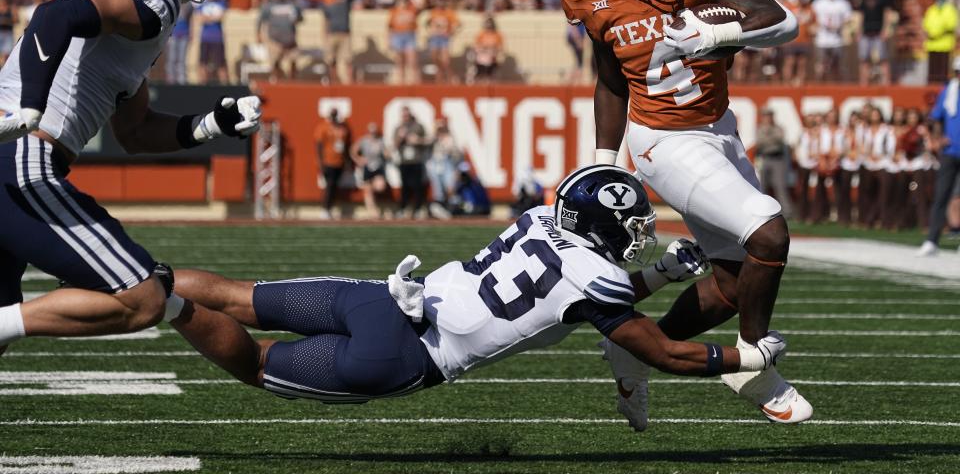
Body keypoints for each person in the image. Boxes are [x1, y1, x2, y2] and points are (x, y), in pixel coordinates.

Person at [167, 166, 787, 424]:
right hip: (405, 360)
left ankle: (146, 281)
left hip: (388, 300)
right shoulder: (594, 283)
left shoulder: (539, 218)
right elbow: (659, 350)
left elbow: (573, 292)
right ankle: (168, 309)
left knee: (235, 294)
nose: (638, 238)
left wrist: (660, 276)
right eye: (630, 230)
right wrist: (747, 357)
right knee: (255, 361)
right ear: (602, 229)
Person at [561, 0, 810, 426]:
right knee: (769, 230)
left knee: (728, 286)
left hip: (718, 128)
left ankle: (633, 348)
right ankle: (753, 362)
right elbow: (609, 78)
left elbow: (781, 20)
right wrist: (604, 162)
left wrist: (719, 33)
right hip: (663, 141)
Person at [0, 0, 261, 355]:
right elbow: (54, 18)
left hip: (13, 158)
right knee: (140, 297)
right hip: (21, 159)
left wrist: (211, 125)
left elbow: (136, 132)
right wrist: (31, 108)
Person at [918, 57, 960, 256]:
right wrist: (937, 139)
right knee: (941, 196)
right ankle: (932, 240)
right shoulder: (949, 92)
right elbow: (935, 118)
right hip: (951, 153)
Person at [258, 0, 304, 80]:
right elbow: (260, 21)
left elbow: (300, 18)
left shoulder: (291, 4)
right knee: (275, 64)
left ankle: (292, 84)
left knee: (293, 62)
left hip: (291, 41)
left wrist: (296, 12)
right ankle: (278, 82)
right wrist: (258, 36)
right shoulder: (268, 6)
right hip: (275, 40)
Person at [811, 0, 853, 82]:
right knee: (821, 66)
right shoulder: (818, 3)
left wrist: (838, 26)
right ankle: (820, 87)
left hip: (837, 39)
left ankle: (835, 88)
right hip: (821, 39)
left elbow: (849, 19)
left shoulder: (843, 3)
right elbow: (811, 18)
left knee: (836, 66)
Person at [754, 108, 792, 220]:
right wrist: (771, 139)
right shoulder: (759, 129)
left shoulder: (778, 128)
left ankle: (787, 213)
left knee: (780, 186)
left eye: (769, 115)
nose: (768, 118)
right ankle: (764, 211)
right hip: (764, 158)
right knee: (763, 186)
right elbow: (759, 142)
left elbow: (779, 140)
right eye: (765, 116)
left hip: (777, 159)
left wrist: (768, 139)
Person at [314, 109, 352, 219]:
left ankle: (329, 208)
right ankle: (325, 208)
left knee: (335, 186)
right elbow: (319, 145)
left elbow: (346, 145)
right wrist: (320, 163)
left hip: (339, 162)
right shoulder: (323, 127)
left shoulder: (343, 128)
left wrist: (347, 161)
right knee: (329, 186)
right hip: (328, 161)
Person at [350, 122, 391, 219]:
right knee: (368, 191)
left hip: (378, 167)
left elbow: (386, 153)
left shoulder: (380, 141)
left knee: (380, 186)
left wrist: (387, 154)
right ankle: (373, 212)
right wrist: (358, 159)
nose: (372, 133)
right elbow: (353, 150)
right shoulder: (364, 140)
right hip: (367, 167)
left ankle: (374, 207)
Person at [394, 106, 428, 218]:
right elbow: (394, 145)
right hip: (404, 161)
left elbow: (427, 141)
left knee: (417, 185)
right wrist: (400, 137)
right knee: (405, 186)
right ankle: (403, 208)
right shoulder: (399, 128)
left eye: (407, 115)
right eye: (404, 115)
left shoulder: (418, 126)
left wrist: (417, 140)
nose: (406, 117)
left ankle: (417, 209)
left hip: (416, 160)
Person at [922, 0, 958, 85]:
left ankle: (943, 85)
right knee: (933, 70)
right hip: (932, 45)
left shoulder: (950, 10)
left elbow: (950, 25)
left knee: (943, 70)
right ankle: (932, 84)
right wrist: (932, 33)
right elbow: (926, 25)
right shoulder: (931, 10)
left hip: (944, 44)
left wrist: (938, 33)